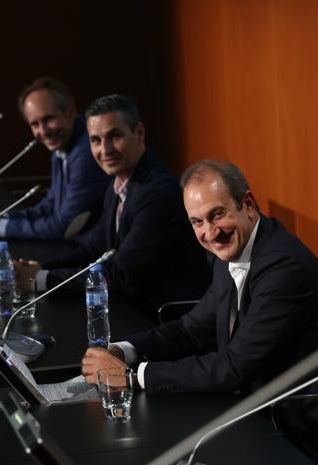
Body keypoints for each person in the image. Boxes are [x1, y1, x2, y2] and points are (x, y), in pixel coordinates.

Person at [81, 159, 318, 465]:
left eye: (217, 214)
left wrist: (132, 377)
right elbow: (190, 330)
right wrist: (122, 350)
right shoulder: (231, 252)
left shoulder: (283, 267)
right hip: (268, 405)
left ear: (248, 205)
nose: (210, 233)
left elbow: (234, 368)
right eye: (197, 222)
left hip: (313, 429)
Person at [15, 94, 211, 318]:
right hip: (129, 305)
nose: (105, 150)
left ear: (139, 133)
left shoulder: (158, 192)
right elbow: (93, 250)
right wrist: (41, 268)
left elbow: (120, 273)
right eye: (95, 140)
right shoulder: (118, 183)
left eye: (115, 136)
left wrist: (42, 279)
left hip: (164, 317)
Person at [0, 77, 109, 240]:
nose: (43, 131)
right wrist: (2, 218)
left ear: (70, 110)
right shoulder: (62, 142)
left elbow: (64, 226)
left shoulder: (87, 150)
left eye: (49, 119)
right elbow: (50, 205)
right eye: (35, 124)